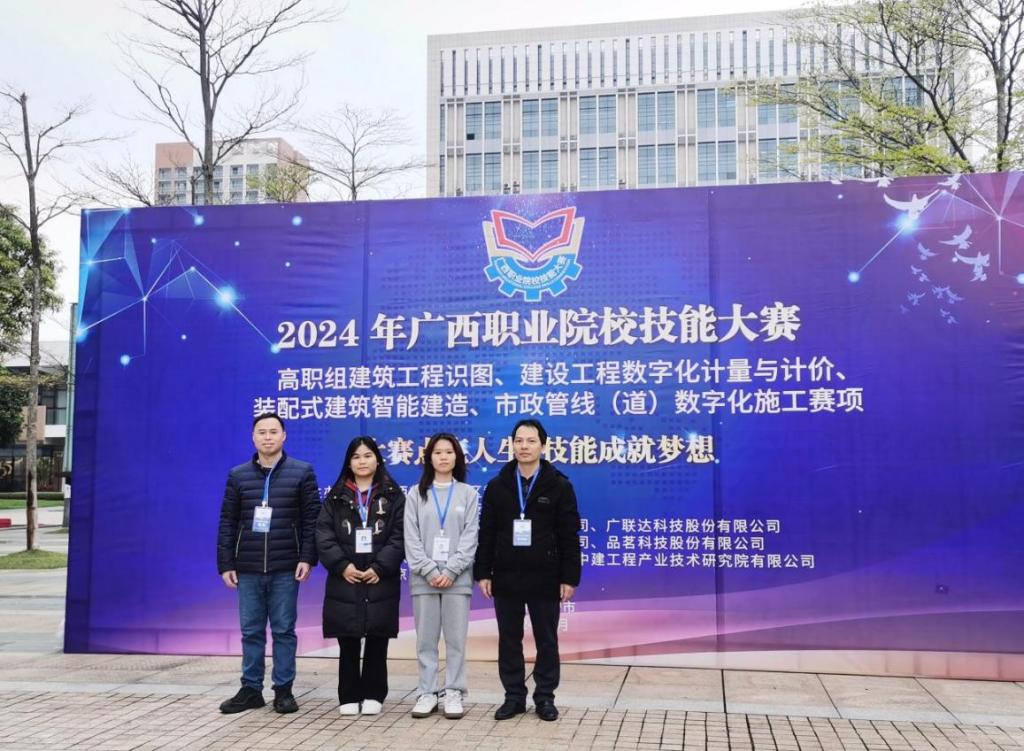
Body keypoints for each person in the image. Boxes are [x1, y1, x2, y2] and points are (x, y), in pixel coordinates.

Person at [473, 418, 581, 722]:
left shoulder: (559, 485)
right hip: (506, 575)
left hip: (545, 576)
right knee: (509, 638)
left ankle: (545, 697)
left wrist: (569, 577)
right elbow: (487, 532)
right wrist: (483, 572)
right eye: (519, 441)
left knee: (547, 639)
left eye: (531, 441)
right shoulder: (498, 486)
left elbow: (569, 534)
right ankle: (514, 697)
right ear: (512, 445)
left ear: (542, 446)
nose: (524, 446)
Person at [216, 412, 321, 715]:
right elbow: (228, 522)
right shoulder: (238, 475)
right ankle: (251, 689)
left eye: (273, 431)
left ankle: (283, 690)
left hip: (286, 566)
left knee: (284, 630)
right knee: (251, 631)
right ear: (253, 437)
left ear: (284, 436)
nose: (267, 437)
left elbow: (312, 520)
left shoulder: (302, 472)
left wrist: (307, 558)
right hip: (247, 567)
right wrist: (226, 563)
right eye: (261, 432)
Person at [316, 436, 405, 716]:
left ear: (377, 460)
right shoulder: (336, 497)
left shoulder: (393, 495)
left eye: (367, 456)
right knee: (348, 638)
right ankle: (348, 695)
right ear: (349, 463)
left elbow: (400, 536)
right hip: (346, 577)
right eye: (356, 457)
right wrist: (342, 566)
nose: (362, 461)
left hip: (380, 577)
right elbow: (324, 535)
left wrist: (380, 567)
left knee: (377, 637)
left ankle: (374, 694)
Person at [404, 433, 480, 719]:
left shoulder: (468, 494)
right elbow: (411, 538)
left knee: (456, 640)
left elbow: (470, 537)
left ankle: (454, 691)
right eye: (438, 452)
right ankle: (427, 691)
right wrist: (429, 570)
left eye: (449, 452)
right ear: (429, 458)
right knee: (425, 640)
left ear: (457, 457)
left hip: (457, 580)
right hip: (423, 580)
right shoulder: (416, 493)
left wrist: (450, 570)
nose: (444, 457)